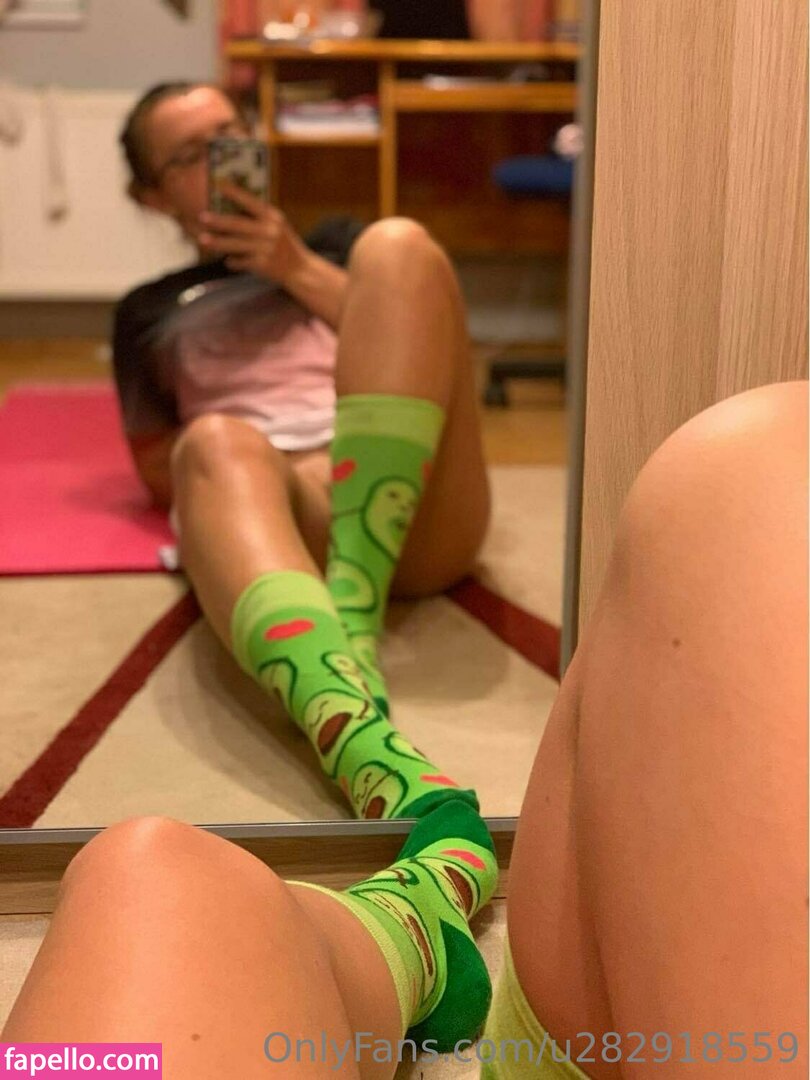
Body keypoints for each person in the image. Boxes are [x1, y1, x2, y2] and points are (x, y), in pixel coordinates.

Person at [3, 382, 806, 1077]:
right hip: (275, 477)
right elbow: (155, 460)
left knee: (146, 876)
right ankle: (417, 906)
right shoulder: (166, 313)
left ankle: (355, 696)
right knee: (148, 867)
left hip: (387, 469)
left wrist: (299, 273)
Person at [112, 81, 492, 821]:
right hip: (285, 517)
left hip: (412, 496)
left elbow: (428, 348)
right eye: (192, 155)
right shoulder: (147, 311)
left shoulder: (335, 250)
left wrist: (292, 265)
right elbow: (160, 471)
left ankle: (351, 614)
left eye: (233, 134)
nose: (223, 158)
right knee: (212, 440)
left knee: (399, 245)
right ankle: (362, 745)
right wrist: (264, 475)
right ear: (151, 195)